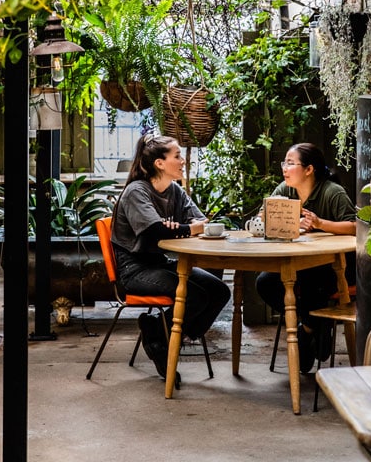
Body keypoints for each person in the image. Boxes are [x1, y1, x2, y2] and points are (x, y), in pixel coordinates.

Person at [111, 133, 231, 381]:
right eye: (177, 156)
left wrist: (179, 227)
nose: (183, 161)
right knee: (194, 295)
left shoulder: (174, 191)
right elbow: (156, 231)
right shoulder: (137, 191)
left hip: (161, 264)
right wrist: (184, 228)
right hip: (135, 270)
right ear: (160, 163)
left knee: (220, 291)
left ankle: (159, 334)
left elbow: (202, 222)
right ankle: (163, 341)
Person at [255, 142, 356, 373]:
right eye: (284, 163)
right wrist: (287, 222)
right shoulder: (285, 190)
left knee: (311, 282)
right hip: (298, 261)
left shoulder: (332, 192)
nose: (284, 168)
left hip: (335, 266)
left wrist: (320, 223)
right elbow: (263, 217)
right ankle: (313, 325)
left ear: (309, 169)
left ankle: (306, 331)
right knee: (265, 282)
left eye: (290, 163)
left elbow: (355, 227)